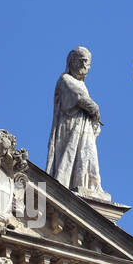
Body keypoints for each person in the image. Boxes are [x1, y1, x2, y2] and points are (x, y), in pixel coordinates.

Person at [45, 47, 105, 197]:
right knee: (72, 155)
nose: (85, 67)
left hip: (84, 128)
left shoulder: (82, 84)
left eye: (88, 64)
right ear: (72, 62)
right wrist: (95, 109)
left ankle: (89, 185)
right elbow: (80, 99)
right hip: (70, 127)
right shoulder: (66, 80)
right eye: (82, 61)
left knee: (88, 155)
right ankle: (74, 184)